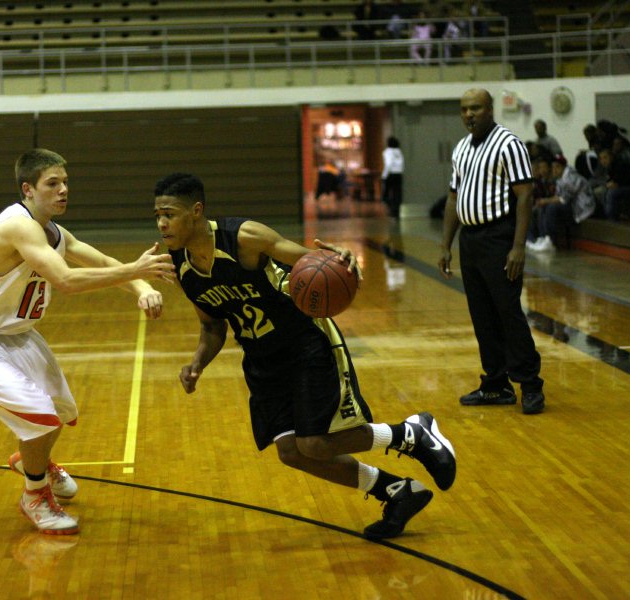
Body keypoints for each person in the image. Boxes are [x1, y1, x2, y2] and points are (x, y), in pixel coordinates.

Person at [153, 173, 457, 540]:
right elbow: (213, 326)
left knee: (314, 442)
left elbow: (311, 259)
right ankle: (396, 491)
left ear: (196, 211)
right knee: (291, 452)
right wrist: (197, 363)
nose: (161, 223)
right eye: (157, 215)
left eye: (168, 214)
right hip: (263, 360)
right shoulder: (182, 266)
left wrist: (338, 257)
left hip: (304, 343)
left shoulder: (244, 238)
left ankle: (410, 433)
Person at [0, 148, 175, 535]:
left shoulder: (53, 232)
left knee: (60, 412)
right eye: (53, 183)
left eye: (65, 182)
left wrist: (139, 285)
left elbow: (97, 260)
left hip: (17, 336)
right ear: (28, 189)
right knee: (40, 417)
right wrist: (136, 269)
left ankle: (33, 462)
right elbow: (65, 280)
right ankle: (34, 494)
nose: (64, 190)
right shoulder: (18, 227)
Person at [437, 88, 545, 415]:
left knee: (508, 312)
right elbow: (454, 199)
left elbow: (525, 197)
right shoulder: (460, 149)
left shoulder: (509, 144)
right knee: (482, 315)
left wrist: (517, 247)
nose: (469, 114)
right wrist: (445, 244)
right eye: (464, 109)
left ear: (490, 109)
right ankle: (496, 384)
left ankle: (530, 385)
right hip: (470, 240)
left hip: (500, 238)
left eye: (476, 108)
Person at [526, 155, 595, 252]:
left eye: (556, 167)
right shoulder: (560, 178)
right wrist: (543, 202)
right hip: (573, 205)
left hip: (582, 209)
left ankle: (550, 240)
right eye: (553, 167)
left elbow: (563, 199)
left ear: (562, 167)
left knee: (551, 208)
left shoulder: (570, 177)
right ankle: (543, 238)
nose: (554, 170)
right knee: (542, 207)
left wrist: (545, 201)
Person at [381, 136, 404, 218]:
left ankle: (392, 208)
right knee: (397, 193)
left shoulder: (387, 152)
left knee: (385, 195)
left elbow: (388, 164)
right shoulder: (399, 152)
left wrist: (384, 176)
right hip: (398, 174)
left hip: (390, 174)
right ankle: (396, 210)